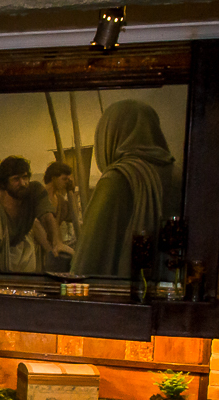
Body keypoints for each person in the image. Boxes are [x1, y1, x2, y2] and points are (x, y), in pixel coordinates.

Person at [71, 100, 181, 277]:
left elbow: (88, 257)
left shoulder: (116, 178)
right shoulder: (178, 174)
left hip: (124, 288)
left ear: (108, 134)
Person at [0, 156, 66, 272]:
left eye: (25, 177)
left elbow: (47, 215)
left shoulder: (34, 191)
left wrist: (57, 242)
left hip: (22, 253)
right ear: (4, 183)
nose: (23, 183)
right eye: (16, 179)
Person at [33, 161, 78, 271]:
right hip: (36, 248)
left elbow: (73, 216)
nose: (66, 182)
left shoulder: (60, 200)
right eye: (64, 179)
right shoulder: (39, 194)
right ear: (53, 178)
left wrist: (71, 192)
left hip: (54, 247)